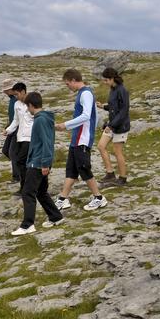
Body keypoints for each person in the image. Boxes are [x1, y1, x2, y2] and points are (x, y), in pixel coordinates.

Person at [54, 69, 108, 212]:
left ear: (73, 80)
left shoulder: (85, 93)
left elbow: (86, 116)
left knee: (84, 169)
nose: (68, 87)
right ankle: (62, 199)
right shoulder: (83, 93)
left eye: (67, 84)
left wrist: (65, 125)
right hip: (76, 139)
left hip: (82, 139)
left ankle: (99, 198)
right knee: (71, 170)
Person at [12, 91, 64, 235]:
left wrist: (45, 164)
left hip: (38, 162)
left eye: (27, 107)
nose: (27, 110)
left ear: (30, 105)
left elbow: (46, 143)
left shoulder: (40, 120)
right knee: (41, 192)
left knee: (27, 192)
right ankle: (56, 216)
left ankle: (28, 225)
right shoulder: (46, 118)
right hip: (41, 161)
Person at [96, 67, 130, 187]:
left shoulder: (122, 90)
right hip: (112, 125)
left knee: (117, 152)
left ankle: (122, 178)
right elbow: (113, 106)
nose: (104, 83)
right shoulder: (113, 89)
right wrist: (103, 107)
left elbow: (123, 111)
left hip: (121, 126)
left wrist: (111, 125)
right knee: (101, 146)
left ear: (111, 79)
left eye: (106, 80)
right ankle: (110, 173)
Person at [3, 82, 33, 196]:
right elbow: (16, 121)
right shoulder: (17, 104)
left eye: (17, 94)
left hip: (30, 137)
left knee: (22, 161)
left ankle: (26, 188)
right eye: (14, 95)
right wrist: (8, 130)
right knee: (22, 162)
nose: (16, 97)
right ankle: (24, 187)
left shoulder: (32, 102)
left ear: (23, 92)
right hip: (20, 137)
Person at [0, 79, 20, 183]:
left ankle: (17, 177)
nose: (5, 93)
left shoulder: (18, 99)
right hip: (12, 129)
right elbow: (13, 117)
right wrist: (7, 127)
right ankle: (20, 168)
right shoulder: (12, 99)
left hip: (19, 130)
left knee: (12, 153)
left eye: (6, 90)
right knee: (6, 151)